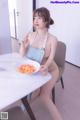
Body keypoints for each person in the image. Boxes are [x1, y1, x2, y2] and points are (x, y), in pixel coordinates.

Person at [20, 7, 63, 120]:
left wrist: (46, 66)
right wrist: (23, 46)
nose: (35, 20)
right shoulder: (31, 35)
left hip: (50, 69)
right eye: (34, 18)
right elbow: (21, 55)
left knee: (44, 96)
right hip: (38, 69)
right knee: (31, 91)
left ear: (46, 21)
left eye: (39, 18)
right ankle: (24, 107)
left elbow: (51, 58)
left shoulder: (53, 39)